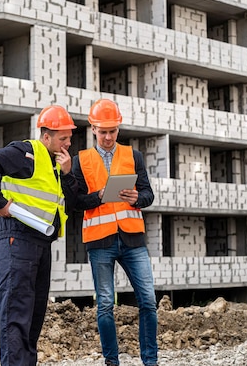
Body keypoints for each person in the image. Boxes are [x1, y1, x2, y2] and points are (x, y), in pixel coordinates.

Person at [0, 105, 78, 366]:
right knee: (16, 313)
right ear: (47, 136)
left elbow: (71, 199)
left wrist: (67, 174)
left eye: (69, 137)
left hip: (41, 242)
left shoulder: (55, 164)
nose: (68, 143)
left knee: (34, 315)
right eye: (63, 137)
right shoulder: (27, 152)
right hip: (18, 238)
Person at [72, 98, 158, 366]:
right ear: (93, 128)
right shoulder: (81, 161)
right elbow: (75, 202)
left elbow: (148, 194)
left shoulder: (134, 156)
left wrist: (137, 198)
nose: (108, 137)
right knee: (106, 305)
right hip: (100, 242)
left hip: (132, 239)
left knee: (148, 301)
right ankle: (112, 361)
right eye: (103, 131)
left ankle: (151, 361)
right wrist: (98, 196)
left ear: (118, 129)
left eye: (112, 131)